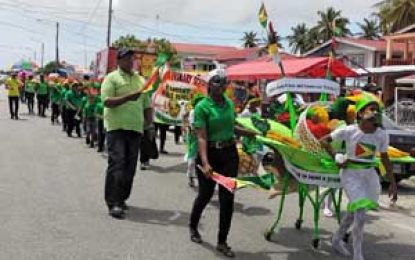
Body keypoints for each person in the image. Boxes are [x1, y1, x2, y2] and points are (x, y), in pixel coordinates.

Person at [320, 93, 397, 260]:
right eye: (371, 109)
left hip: (369, 176)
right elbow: (323, 140)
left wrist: (392, 183)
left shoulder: (382, 135)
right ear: (360, 113)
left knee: (354, 212)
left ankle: (337, 239)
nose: (375, 113)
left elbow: (385, 158)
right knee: (361, 213)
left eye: (378, 110)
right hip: (351, 174)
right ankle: (358, 255)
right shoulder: (349, 130)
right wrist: (335, 156)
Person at [189, 70, 256, 257]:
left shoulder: (228, 104)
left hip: (229, 154)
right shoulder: (202, 107)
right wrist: (205, 162)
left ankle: (222, 241)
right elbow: (201, 136)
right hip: (209, 153)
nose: (222, 88)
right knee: (205, 194)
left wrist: (249, 132)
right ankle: (193, 227)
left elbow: (231, 126)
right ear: (210, 85)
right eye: (219, 84)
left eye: (224, 84)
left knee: (228, 199)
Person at [102, 49, 152, 219]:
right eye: (127, 59)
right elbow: (107, 101)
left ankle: (121, 198)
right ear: (119, 61)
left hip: (135, 129)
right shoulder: (111, 78)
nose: (131, 61)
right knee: (117, 163)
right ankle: (113, 202)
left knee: (130, 168)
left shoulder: (141, 80)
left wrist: (149, 123)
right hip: (116, 128)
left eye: (133, 59)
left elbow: (147, 104)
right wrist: (128, 97)